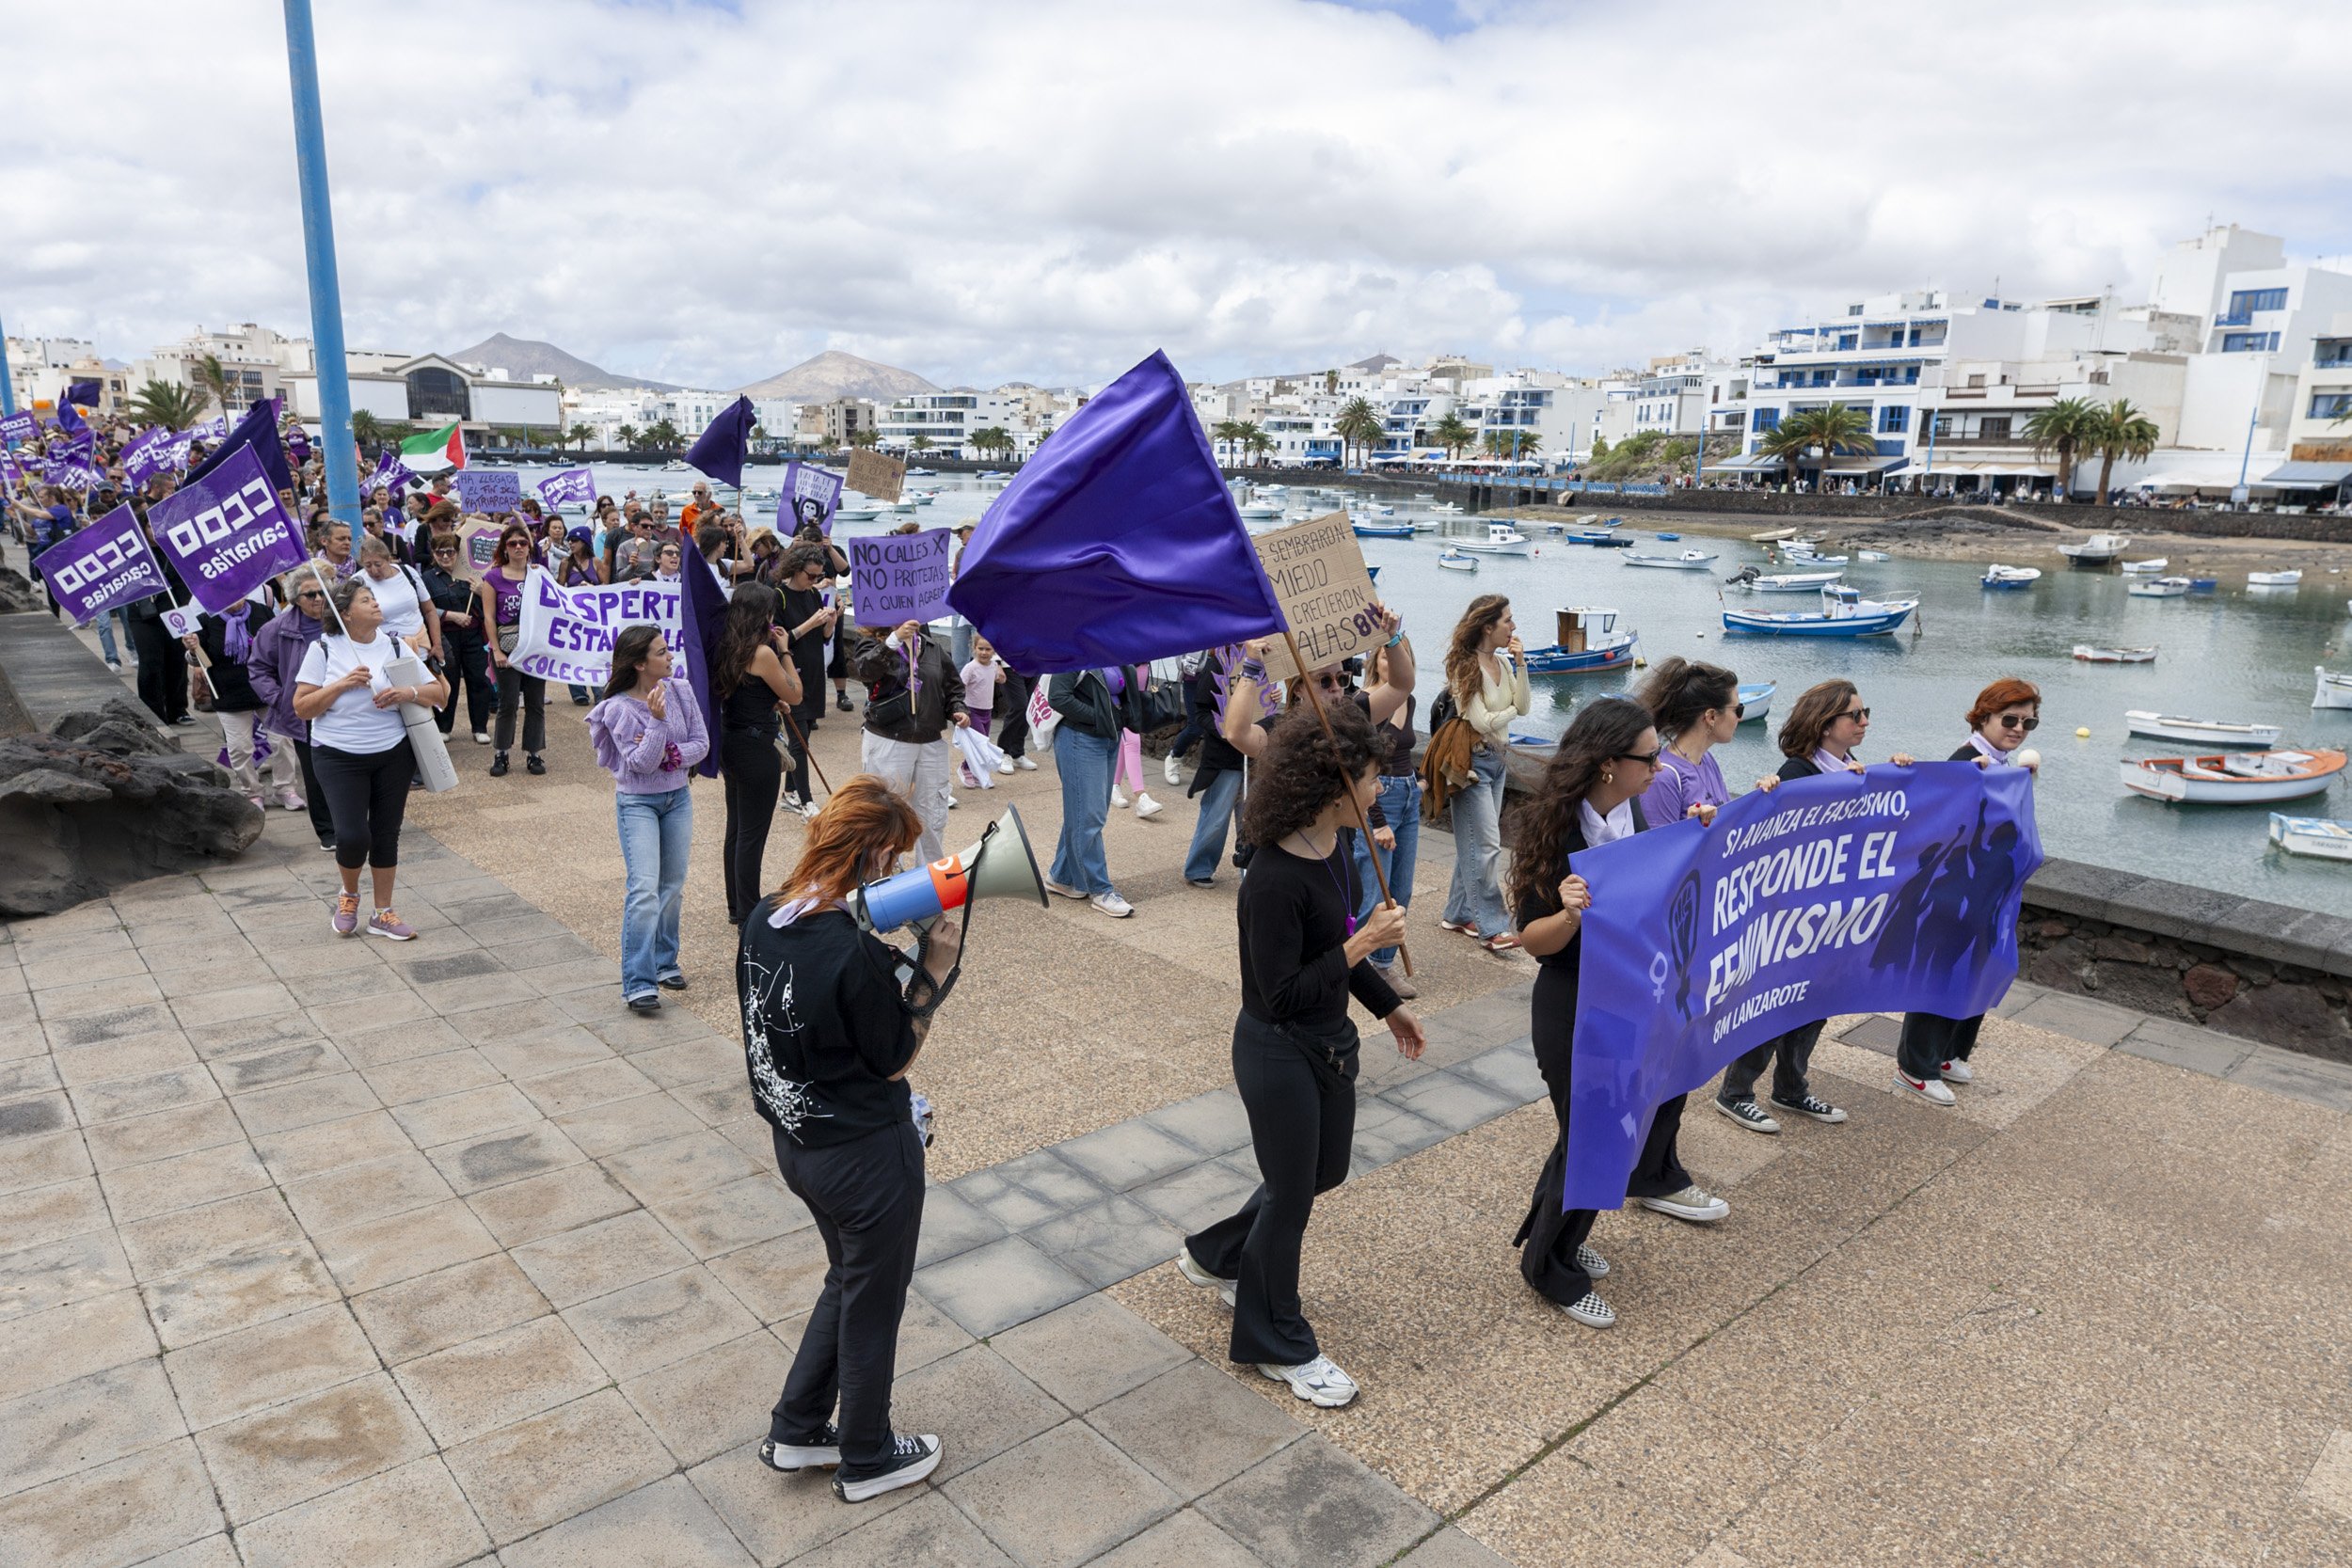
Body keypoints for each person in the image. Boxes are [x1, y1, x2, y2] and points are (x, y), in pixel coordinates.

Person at [1175, 704, 1423, 1407]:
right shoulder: (1272, 878)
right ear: (1331, 786)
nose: (1379, 790)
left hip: (1328, 1043)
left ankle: (1218, 1254)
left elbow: (1340, 940)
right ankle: (1274, 1338)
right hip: (1276, 1050)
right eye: (1371, 778)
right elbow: (1280, 992)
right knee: (1290, 1196)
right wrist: (1363, 944)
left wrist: (1387, 1002)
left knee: (1325, 1169)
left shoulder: (1337, 849)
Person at [740, 777, 963, 1505]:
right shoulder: (852, 954)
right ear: (868, 854)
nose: (898, 870)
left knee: (849, 1281)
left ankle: (799, 1424)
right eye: (894, 856)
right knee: (875, 1297)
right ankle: (867, 1452)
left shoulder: (765, 916)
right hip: (867, 1157)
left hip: (798, 1142)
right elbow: (896, 1056)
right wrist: (933, 966)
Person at [1506, 696, 1664, 1327]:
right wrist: (1569, 914)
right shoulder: (1557, 830)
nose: (1658, 768)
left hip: (1625, 997)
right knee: (1590, 1136)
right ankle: (1549, 1267)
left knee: (1605, 1131)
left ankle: (1557, 1238)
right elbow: (1531, 940)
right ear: (1607, 765)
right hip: (1572, 1002)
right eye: (1647, 758)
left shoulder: (1634, 816)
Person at [1766, 681, 1916, 1114]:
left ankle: (1790, 1089)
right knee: (1776, 1008)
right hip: (1796, 917)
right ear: (1824, 723)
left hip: (1833, 917)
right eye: (1855, 714)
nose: (1864, 721)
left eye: (1865, 711)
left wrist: (1897, 774)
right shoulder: (1797, 775)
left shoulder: (1852, 770)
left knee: (1816, 1004)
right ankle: (1735, 1092)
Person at [1896, 678, 2041, 1105]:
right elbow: (1937, 825)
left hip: (1984, 892)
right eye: (2009, 719)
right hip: (1953, 891)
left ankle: (1946, 1053)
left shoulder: (2003, 765)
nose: (2018, 729)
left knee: (1976, 969)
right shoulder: (1966, 762)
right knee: (1941, 974)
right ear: (1984, 717)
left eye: (2028, 722)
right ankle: (1915, 1067)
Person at [291, 576, 447, 940]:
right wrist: (341, 685)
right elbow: (301, 708)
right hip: (338, 755)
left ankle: (383, 912)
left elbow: (439, 693)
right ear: (345, 613)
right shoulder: (324, 649)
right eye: (366, 600)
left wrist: (406, 692)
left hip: (393, 753)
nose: (375, 604)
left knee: (385, 833)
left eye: (374, 598)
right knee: (350, 834)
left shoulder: (394, 646)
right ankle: (348, 895)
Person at [588, 626, 710, 1013]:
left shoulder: (681, 690)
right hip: (637, 804)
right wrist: (656, 724)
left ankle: (664, 961)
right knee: (644, 890)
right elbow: (638, 765)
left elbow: (702, 745)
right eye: (662, 652)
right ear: (641, 663)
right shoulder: (618, 709)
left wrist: (665, 752)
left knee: (672, 885)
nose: (671, 656)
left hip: (678, 798)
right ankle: (639, 982)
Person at [714, 584, 806, 925]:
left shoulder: (724, 643)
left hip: (730, 739)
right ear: (762, 614)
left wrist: (769, 698)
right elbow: (796, 694)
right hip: (756, 747)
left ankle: (735, 906)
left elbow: (745, 691)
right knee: (752, 835)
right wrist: (785, 651)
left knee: (736, 830)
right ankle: (750, 913)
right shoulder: (762, 652)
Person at [1440, 595, 1528, 956]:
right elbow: (1480, 721)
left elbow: (1523, 705)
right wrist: (1508, 712)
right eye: (1507, 620)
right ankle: (1491, 927)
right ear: (1487, 626)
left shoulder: (1504, 665)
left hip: (1499, 759)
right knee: (1488, 846)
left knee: (1475, 842)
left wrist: (1522, 665)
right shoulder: (1465, 667)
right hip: (1472, 763)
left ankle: (1458, 913)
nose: (1513, 626)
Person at [850, 620, 966, 867]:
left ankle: (930, 880)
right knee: (885, 812)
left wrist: (958, 708)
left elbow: (953, 686)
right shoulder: (872, 641)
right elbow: (865, 671)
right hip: (889, 738)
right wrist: (892, 642)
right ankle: (881, 876)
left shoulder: (933, 648)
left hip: (930, 739)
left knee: (933, 814)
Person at [1042, 662, 1143, 917]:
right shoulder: (1074, 646)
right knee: (1090, 816)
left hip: (1108, 736)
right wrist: (1100, 716)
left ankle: (1061, 877)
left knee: (1082, 811)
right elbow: (1058, 697)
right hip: (1080, 738)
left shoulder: (1116, 646)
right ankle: (1100, 889)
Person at [247, 572, 339, 850]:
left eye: (322, 592)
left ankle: (352, 821)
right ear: (295, 599)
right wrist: (281, 699)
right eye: (311, 594)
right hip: (307, 712)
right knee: (315, 772)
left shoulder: (340, 621)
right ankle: (327, 831)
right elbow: (258, 668)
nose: (319, 599)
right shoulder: (277, 628)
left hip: (342, 708)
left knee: (347, 768)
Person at [1352, 639, 1421, 999]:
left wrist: (1418, 782)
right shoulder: (1364, 703)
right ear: (1374, 660)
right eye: (1386, 655)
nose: (1394, 662)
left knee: (1402, 888)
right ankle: (1357, 962)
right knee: (1373, 886)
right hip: (1380, 796)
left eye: (1401, 656)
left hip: (1408, 793)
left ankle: (1382, 963)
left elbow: (1406, 748)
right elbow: (1362, 767)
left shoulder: (1407, 700)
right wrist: (1377, 820)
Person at [193, 592, 300, 809]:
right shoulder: (206, 620)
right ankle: (252, 792)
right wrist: (193, 648)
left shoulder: (261, 611)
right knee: (240, 747)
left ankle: (285, 789)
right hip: (229, 693)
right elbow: (201, 661)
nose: (235, 598)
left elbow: (278, 643)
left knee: (282, 741)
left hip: (267, 689)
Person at [477, 523, 546, 777]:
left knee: (536, 702)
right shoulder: (494, 577)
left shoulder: (539, 574)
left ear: (530, 548)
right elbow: (489, 617)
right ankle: (502, 752)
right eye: (512, 543)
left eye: (523, 543)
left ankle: (534, 753)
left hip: (535, 647)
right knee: (508, 703)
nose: (518, 547)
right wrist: (496, 650)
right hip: (507, 645)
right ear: (504, 548)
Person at [776, 545, 840, 811]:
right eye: (810, 575)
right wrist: (811, 623)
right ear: (795, 569)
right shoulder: (778, 596)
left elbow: (824, 638)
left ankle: (790, 792)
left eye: (817, 576)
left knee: (803, 737)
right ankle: (806, 800)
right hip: (792, 674)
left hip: (814, 672)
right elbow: (780, 640)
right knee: (799, 736)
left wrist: (831, 621)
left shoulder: (813, 594)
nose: (814, 581)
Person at [419, 534, 494, 745]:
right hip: (445, 635)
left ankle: (480, 727)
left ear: (458, 553)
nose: (445, 556)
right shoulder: (427, 577)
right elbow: (424, 608)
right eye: (439, 552)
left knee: (479, 679)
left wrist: (480, 590)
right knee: (447, 681)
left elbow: (491, 603)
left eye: (450, 551)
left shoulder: (472, 575)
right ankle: (444, 726)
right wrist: (450, 615)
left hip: (473, 634)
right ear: (433, 554)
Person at [957, 636, 1006, 786]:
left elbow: (1002, 679)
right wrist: (960, 708)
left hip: (987, 711)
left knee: (981, 743)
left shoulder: (992, 666)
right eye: (980, 649)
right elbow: (959, 686)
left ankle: (974, 770)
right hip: (972, 710)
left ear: (994, 651)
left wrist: (1000, 671)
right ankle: (965, 767)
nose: (984, 652)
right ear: (974, 648)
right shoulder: (971, 667)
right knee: (980, 744)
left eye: (988, 649)